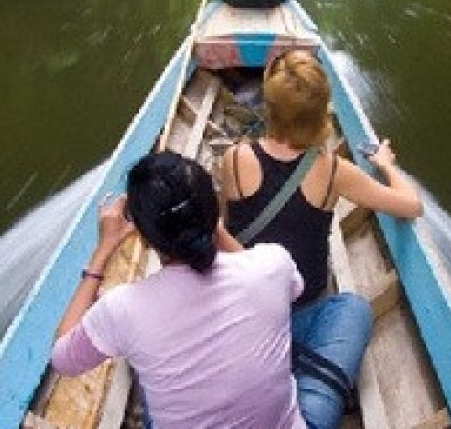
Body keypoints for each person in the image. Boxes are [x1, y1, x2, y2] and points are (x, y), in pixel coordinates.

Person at [217, 49, 424, 429]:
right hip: (303, 308)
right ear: (321, 114)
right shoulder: (332, 170)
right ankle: (309, 403)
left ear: (269, 107)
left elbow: (226, 231)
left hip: (243, 311)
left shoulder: (234, 158)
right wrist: (387, 166)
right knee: (354, 309)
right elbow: (411, 206)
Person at [49, 151, 307, 429]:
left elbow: (63, 359)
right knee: (348, 309)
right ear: (215, 210)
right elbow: (294, 290)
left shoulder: (123, 309)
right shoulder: (272, 263)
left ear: (146, 238)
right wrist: (213, 229)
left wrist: (104, 249)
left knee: (148, 375)